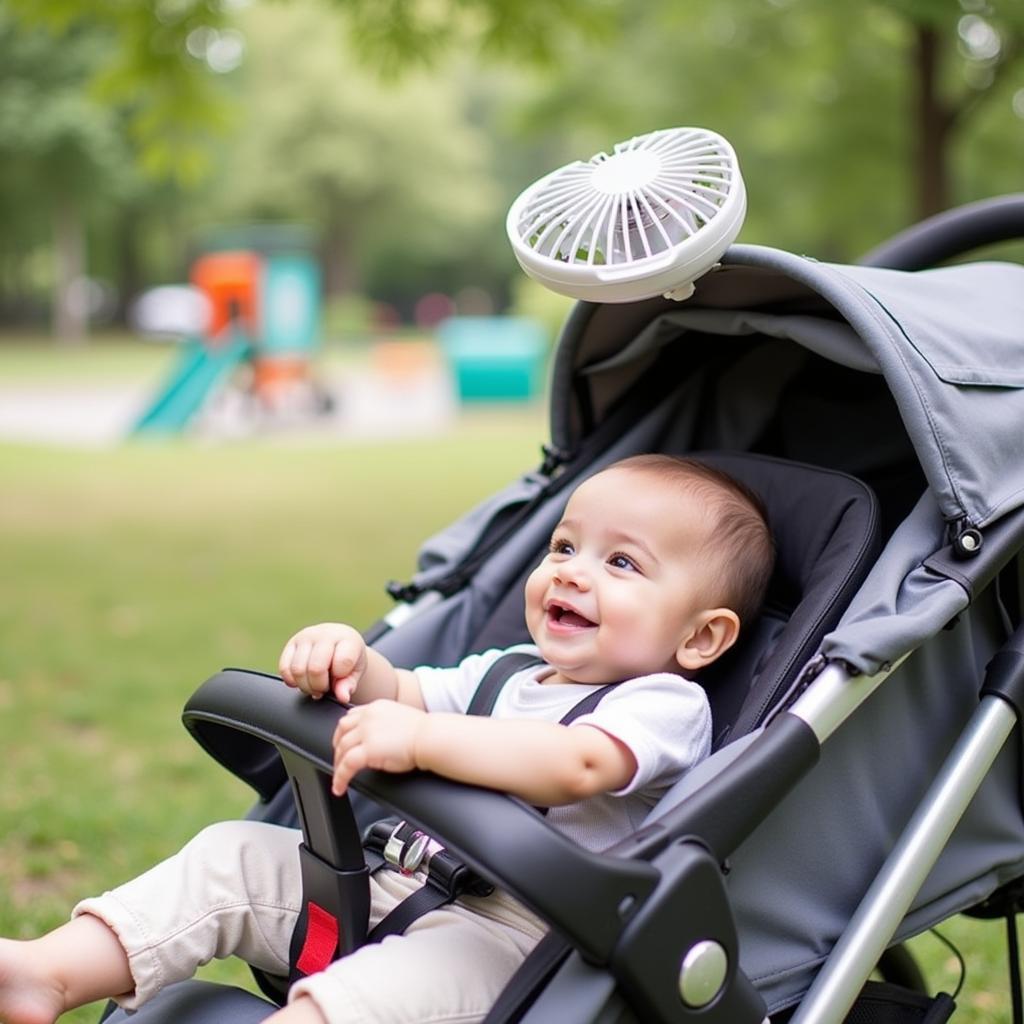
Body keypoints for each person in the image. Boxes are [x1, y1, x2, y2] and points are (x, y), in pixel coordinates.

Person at [0, 454, 774, 1024]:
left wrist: (423, 740)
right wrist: (352, 659)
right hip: (389, 883)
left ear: (703, 638)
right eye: (564, 547)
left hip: (518, 941)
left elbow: (575, 765)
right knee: (229, 858)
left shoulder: (665, 704)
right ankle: (44, 976)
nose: (571, 574)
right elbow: (403, 693)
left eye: (621, 562)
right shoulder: (509, 671)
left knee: (363, 1003)